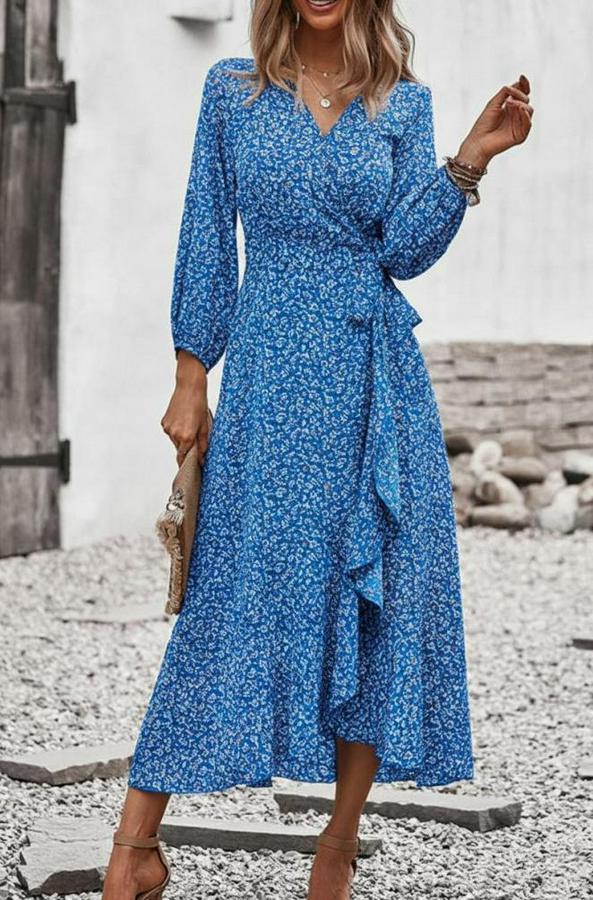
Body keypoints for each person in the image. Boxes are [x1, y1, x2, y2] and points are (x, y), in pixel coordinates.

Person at [102, 1, 533, 898]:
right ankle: (135, 843)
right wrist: (190, 372)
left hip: (373, 383)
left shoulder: (402, 102)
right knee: (229, 592)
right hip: (268, 378)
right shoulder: (232, 92)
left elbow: (404, 251)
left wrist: (471, 158)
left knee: (377, 604)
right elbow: (206, 231)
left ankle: (337, 847)